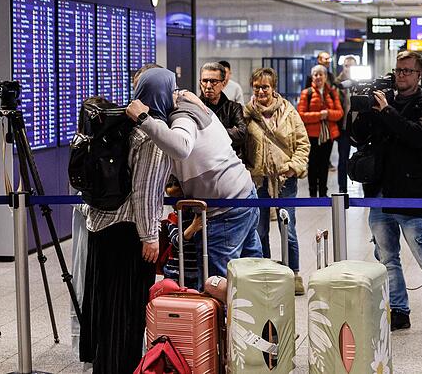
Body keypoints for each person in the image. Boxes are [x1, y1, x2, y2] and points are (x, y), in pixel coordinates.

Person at [349, 50, 422, 335]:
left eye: (407, 71)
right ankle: (399, 310)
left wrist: (387, 110)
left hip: (410, 190)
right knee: (386, 256)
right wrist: (362, 108)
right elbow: (358, 136)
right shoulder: (382, 98)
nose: (401, 75)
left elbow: (416, 135)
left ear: (420, 74)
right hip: (379, 190)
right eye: (398, 70)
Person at [126, 68, 263, 278]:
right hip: (244, 197)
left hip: (225, 209)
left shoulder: (182, 116)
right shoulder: (189, 102)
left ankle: (226, 312)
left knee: (217, 282)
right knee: (250, 277)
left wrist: (144, 119)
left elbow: (181, 148)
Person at [79, 73, 173, 374]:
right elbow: (145, 192)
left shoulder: (122, 125)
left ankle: (104, 366)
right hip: (129, 233)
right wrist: (150, 237)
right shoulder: (154, 136)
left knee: (104, 308)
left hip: (101, 226)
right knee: (126, 311)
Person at [244, 67, 310, 295]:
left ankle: (294, 274)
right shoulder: (247, 114)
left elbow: (303, 143)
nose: (261, 91)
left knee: (288, 228)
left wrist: (294, 167)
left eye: (266, 87)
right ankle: (267, 272)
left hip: (285, 179)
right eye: (257, 87)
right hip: (259, 180)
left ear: (274, 88)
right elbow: (240, 146)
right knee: (259, 229)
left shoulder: (288, 112)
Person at [297, 64, 343, 197]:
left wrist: (327, 113)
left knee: (324, 165)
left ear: (325, 76)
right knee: (312, 164)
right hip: (312, 135)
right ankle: (312, 193)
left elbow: (339, 113)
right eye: (315, 74)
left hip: (328, 135)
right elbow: (301, 115)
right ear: (312, 77)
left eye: (320, 74)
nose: (318, 77)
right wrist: (319, 116)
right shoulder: (307, 93)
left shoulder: (332, 93)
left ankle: (323, 192)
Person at [199, 62, 247, 158]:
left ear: (223, 83)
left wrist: (208, 134)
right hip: (202, 163)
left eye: (213, 81)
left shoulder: (233, 108)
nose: (208, 86)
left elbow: (242, 133)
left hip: (228, 162)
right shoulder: (195, 107)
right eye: (205, 81)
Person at [334, 56, 356, 193]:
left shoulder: (362, 83)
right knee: (343, 160)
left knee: (363, 157)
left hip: (358, 127)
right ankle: (343, 189)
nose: (348, 69)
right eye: (346, 66)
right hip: (343, 128)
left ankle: (366, 188)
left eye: (351, 66)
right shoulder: (337, 84)